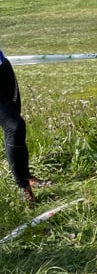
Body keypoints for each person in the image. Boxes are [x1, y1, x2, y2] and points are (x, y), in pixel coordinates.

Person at [0, 49, 47, 204]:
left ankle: (26, 176)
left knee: (17, 129)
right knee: (15, 126)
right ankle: (24, 187)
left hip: (2, 66)